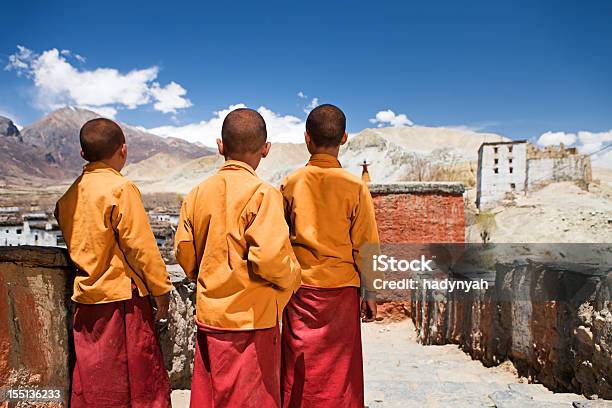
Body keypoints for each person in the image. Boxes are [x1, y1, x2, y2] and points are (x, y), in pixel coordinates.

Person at [174, 108, 301, 408]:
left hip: (210, 317)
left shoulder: (196, 193)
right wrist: (293, 276)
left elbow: (183, 250)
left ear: (220, 146)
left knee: (212, 397)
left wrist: (201, 273)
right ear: (265, 149)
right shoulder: (262, 193)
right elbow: (269, 259)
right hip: (252, 320)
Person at [55, 118, 172, 408]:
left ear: (83, 155)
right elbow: (141, 248)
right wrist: (162, 291)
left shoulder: (68, 196)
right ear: (124, 150)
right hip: (122, 302)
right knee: (139, 384)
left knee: (94, 379)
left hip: (85, 299)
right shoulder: (121, 189)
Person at [280, 104, 380, 408]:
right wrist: (371, 292)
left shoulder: (290, 183)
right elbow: (367, 244)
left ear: (307, 138)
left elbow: (279, 241)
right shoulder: (356, 188)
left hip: (300, 293)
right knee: (340, 372)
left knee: (300, 368)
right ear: (345, 138)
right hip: (342, 293)